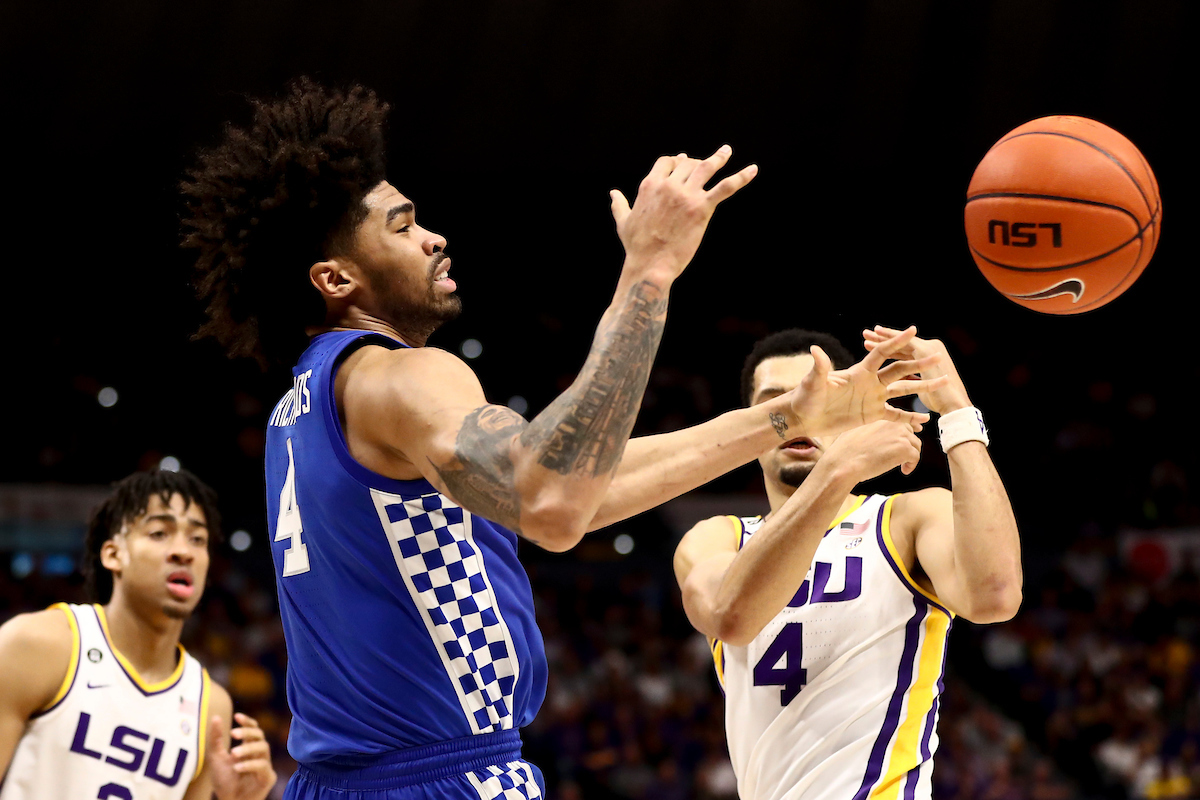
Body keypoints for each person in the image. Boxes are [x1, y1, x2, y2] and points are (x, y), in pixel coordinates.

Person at [180, 79, 941, 800]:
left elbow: (584, 486)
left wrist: (784, 420)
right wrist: (649, 269)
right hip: (441, 776)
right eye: (404, 225)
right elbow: (552, 504)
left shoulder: (307, 403)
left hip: (339, 780)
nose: (434, 237)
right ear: (336, 279)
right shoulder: (400, 379)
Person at [674, 326, 1023, 800]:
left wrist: (958, 414)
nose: (801, 415)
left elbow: (996, 596)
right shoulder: (717, 538)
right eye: (780, 402)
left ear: (854, 415)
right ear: (753, 426)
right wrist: (839, 472)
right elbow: (730, 615)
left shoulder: (905, 519)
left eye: (821, 399)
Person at [0, 468, 277, 800]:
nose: (183, 552)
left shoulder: (211, 705)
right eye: (160, 533)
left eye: (197, 539)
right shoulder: (37, 645)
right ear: (113, 554)